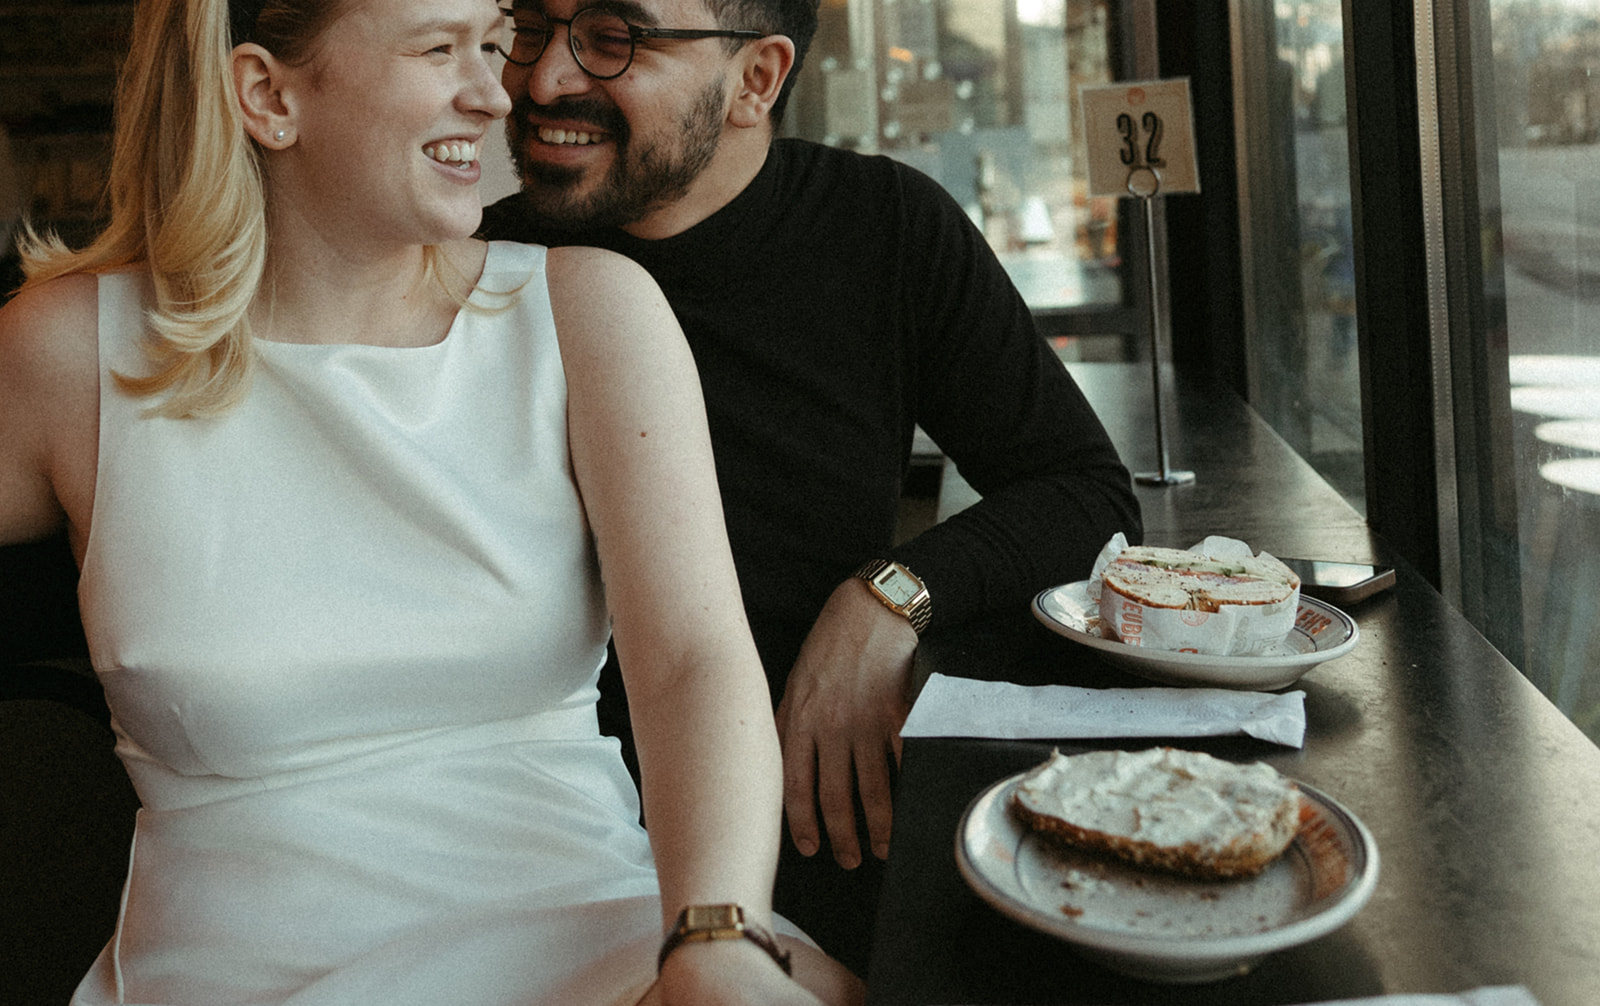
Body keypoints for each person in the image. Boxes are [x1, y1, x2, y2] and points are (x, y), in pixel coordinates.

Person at [0, 0, 863, 1002]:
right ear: (268, 95)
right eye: (438, 48)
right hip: (244, 973)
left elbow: (691, 662)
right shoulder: (69, 351)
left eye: (490, 44)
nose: (496, 91)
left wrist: (715, 931)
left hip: (601, 937)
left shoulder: (585, 308)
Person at [478, 0, 1143, 974]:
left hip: (813, 817)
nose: (543, 80)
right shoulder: (463, 272)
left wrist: (890, 594)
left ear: (756, 79)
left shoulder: (886, 229)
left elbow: (1083, 493)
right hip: (536, 836)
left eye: (612, 36)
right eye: (532, 27)